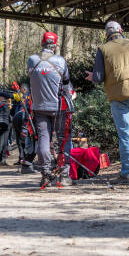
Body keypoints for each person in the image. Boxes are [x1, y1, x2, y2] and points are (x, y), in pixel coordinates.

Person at [85, 20, 129, 185]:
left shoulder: (103, 49)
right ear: (121, 30)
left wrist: (93, 77)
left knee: (125, 135)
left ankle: (127, 174)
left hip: (118, 96)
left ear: (106, 34)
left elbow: (99, 77)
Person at [27, 31, 75, 188]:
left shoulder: (32, 60)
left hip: (39, 107)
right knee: (63, 139)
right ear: (55, 45)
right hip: (59, 107)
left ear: (42, 43)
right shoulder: (60, 61)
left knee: (43, 139)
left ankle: (45, 174)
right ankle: (65, 174)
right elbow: (66, 82)